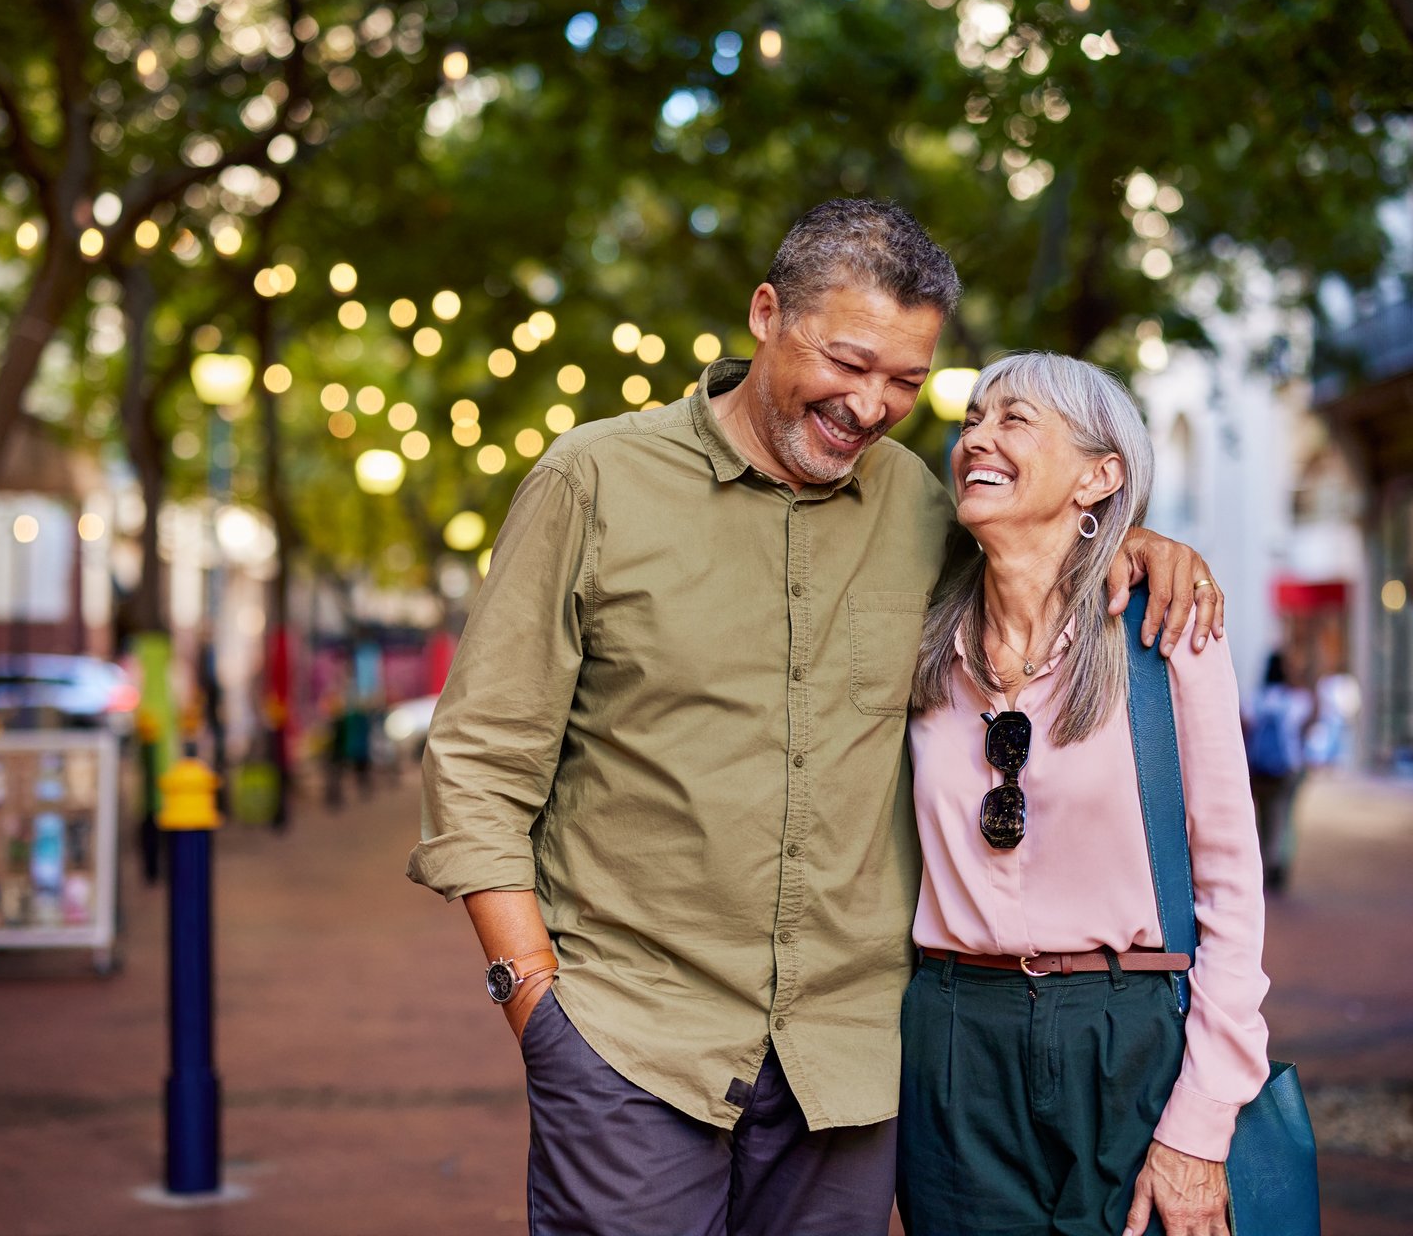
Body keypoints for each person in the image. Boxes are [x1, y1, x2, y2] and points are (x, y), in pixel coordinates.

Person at [407, 200, 1225, 1236]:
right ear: (765, 313)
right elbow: (479, 760)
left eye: (907, 382)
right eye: (849, 360)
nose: (872, 403)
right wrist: (535, 1001)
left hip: (846, 1064)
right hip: (629, 1039)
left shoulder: (923, 509)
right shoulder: (595, 481)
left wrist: (1142, 543)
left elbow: (1047, 543)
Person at [901, 352, 1268, 1236]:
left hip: (1127, 1032)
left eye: (1015, 420)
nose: (977, 438)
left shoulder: (1164, 632)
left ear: (1100, 475)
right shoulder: (915, 629)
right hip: (954, 1035)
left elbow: (1230, 892)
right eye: (975, 419)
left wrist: (1202, 1123)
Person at [1246, 650, 1314, 893]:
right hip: (1289, 766)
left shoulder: (1257, 698)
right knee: (1284, 816)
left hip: (1260, 768)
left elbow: (1246, 726)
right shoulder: (1296, 699)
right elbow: (1309, 724)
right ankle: (1279, 862)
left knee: (1264, 817)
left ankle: (1265, 861)